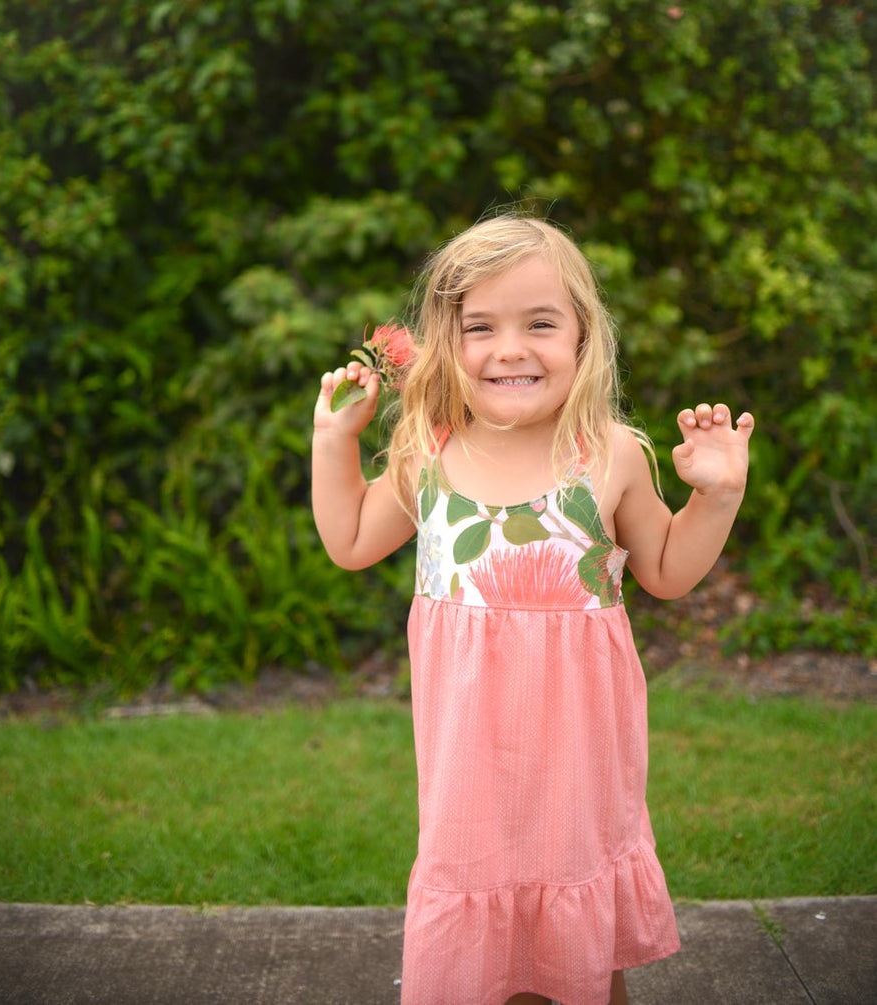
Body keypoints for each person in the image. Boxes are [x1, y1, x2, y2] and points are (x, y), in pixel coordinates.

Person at [311, 215, 754, 1005]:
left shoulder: (607, 453)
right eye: (480, 326)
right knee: (485, 968)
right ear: (449, 343)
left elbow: (665, 569)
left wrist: (716, 498)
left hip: (576, 778)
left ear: (584, 335)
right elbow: (348, 539)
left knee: (580, 961)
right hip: (468, 785)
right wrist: (332, 440)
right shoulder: (430, 453)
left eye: (539, 323)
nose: (509, 347)